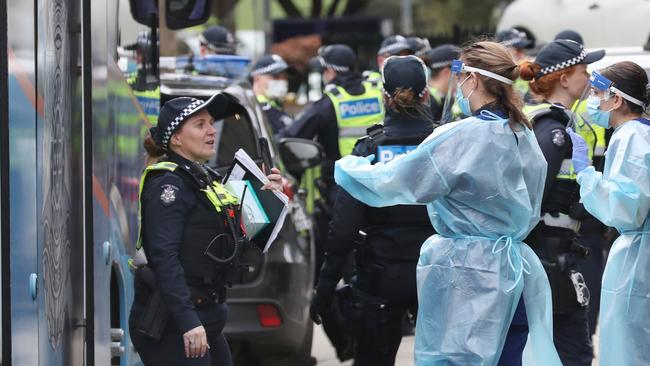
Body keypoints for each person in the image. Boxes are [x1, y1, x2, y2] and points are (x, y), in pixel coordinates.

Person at [334, 40, 562, 365]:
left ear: (472, 78)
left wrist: (348, 167)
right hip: (514, 276)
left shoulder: (460, 137)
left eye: (460, 74)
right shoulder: (522, 132)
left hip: (467, 279)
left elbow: (396, 180)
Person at [129, 95, 283, 366]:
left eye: (211, 123)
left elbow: (242, 240)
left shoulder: (206, 180)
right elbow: (164, 258)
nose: (212, 130)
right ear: (176, 138)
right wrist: (188, 322)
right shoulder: (169, 186)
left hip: (207, 315)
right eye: (200, 125)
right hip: (176, 323)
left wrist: (268, 196)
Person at [310, 55, 436, 366]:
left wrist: (324, 288)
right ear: (426, 94)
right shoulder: (445, 142)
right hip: (440, 272)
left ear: (384, 96)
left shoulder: (369, 150)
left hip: (382, 276)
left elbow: (343, 229)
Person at [518, 39, 605, 365]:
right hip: (549, 256)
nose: (589, 76)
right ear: (565, 78)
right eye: (584, 70)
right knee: (574, 352)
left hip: (552, 253)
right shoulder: (551, 129)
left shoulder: (550, 120)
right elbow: (532, 198)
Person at [566, 61, 650, 366]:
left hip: (639, 261)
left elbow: (627, 209)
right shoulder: (638, 134)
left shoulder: (630, 138)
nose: (593, 100)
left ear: (617, 100)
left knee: (631, 346)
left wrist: (586, 174)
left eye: (599, 92)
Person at [250, 54, 294, 134]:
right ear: (257, 78)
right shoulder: (255, 110)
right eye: (276, 77)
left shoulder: (275, 106)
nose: (282, 81)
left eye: (285, 77)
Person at [424, 44, 461, 122]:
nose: (462, 78)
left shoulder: (439, 99)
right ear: (448, 72)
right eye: (460, 72)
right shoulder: (431, 103)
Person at [496, 28, 534, 101]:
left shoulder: (527, 72)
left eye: (523, 50)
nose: (523, 55)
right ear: (503, 51)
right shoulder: (495, 80)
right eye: (518, 50)